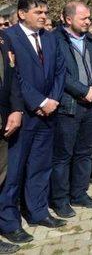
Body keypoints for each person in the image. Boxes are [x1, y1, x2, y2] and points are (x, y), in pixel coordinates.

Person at [0, 0, 67, 244]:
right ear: (21, 13)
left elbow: (60, 70)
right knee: (14, 172)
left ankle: (38, 211)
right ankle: (9, 221)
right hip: (24, 115)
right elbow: (14, 77)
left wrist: (53, 100)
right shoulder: (8, 38)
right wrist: (38, 102)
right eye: (38, 12)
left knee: (40, 167)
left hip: (48, 115)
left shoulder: (49, 39)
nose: (43, 17)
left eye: (46, 12)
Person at [50, 2, 92, 219]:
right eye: (83, 18)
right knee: (63, 156)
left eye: (89, 17)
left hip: (91, 104)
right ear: (68, 19)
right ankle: (60, 200)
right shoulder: (55, 40)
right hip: (69, 105)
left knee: (85, 152)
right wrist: (83, 91)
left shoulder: (91, 40)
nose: (88, 22)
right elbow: (59, 73)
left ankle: (79, 193)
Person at [0, 28, 25, 253]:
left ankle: (6, 224)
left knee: (5, 177)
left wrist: (16, 109)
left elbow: (13, 75)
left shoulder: (3, 39)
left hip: (5, 120)